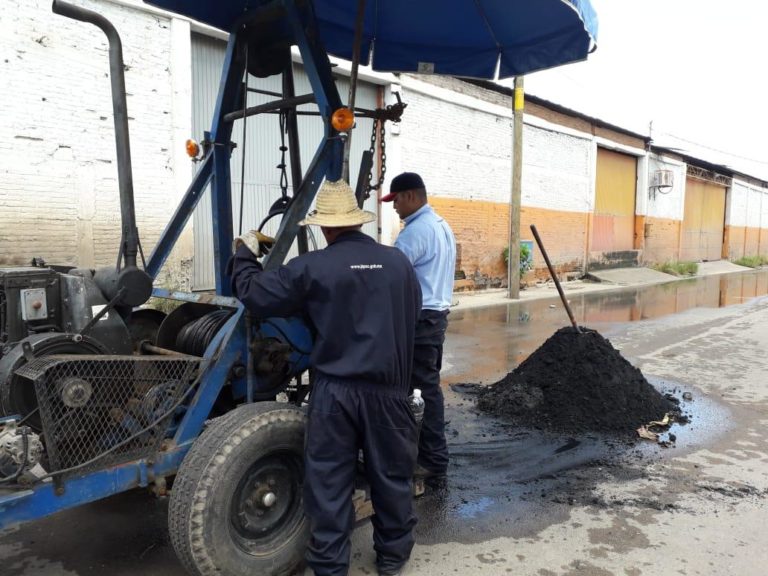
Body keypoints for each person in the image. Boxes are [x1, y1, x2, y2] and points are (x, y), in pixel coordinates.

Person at [229, 179, 422, 576]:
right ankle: (392, 557)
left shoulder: (312, 267)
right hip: (390, 391)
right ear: (356, 222)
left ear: (324, 227)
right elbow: (412, 316)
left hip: (336, 393)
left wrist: (245, 254)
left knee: (329, 481)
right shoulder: (399, 263)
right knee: (391, 476)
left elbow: (256, 295)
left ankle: (331, 567)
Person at [381, 172, 456, 481]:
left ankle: (432, 460)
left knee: (418, 390)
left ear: (410, 196)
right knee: (427, 388)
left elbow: (390, 276)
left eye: (396, 200)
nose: (394, 206)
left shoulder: (415, 232)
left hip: (420, 320)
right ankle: (426, 455)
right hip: (434, 317)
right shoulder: (440, 225)